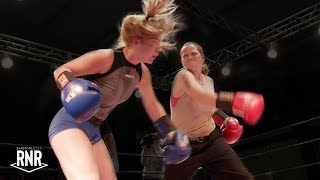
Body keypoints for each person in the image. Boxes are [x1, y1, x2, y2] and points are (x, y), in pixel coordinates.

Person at [48, 1, 191, 179]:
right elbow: (61, 71)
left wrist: (170, 131)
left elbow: (153, 105)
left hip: (94, 130)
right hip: (68, 124)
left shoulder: (142, 73)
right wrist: (71, 88)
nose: (159, 49)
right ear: (137, 41)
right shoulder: (107, 58)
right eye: (155, 43)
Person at [165, 41, 265, 180]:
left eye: (193, 54)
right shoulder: (182, 76)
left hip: (212, 140)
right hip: (184, 146)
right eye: (185, 56)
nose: (189, 57)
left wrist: (225, 120)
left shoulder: (209, 81)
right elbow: (200, 97)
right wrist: (235, 101)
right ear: (182, 62)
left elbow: (209, 107)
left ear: (202, 57)